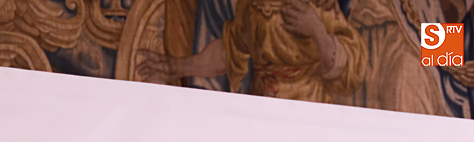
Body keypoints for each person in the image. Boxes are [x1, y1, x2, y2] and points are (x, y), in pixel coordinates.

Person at [138, 0, 366, 103]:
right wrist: (177, 67)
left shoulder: (319, 5)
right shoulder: (252, 6)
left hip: (306, 108)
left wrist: (316, 29)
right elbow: (229, 51)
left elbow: (350, 70)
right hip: (260, 104)